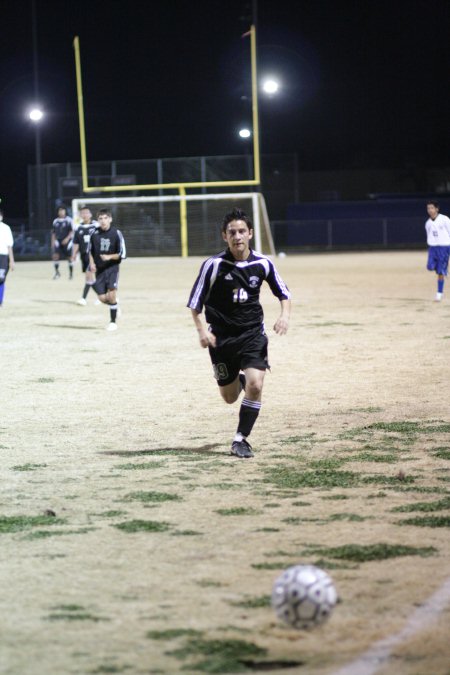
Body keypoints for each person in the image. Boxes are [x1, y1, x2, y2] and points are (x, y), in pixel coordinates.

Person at [187, 207, 291, 458]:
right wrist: (202, 331)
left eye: (242, 231)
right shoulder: (213, 265)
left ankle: (240, 439)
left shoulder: (263, 263)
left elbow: (284, 293)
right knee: (230, 397)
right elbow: (194, 303)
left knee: (257, 384)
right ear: (224, 236)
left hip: (253, 334)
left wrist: (284, 315)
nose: (237, 236)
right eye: (232, 232)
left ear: (251, 233)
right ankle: (239, 381)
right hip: (221, 339)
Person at [89, 208, 126, 331]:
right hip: (99, 269)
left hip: (112, 268)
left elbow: (122, 254)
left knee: (111, 293)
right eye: (100, 218)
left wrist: (109, 257)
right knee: (102, 298)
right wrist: (92, 263)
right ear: (98, 220)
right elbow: (90, 251)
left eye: (106, 218)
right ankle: (115, 305)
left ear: (110, 219)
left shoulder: (116, 233)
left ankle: (112, 322)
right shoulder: (94, 233)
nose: (103, 221)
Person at [71, 206, 98, 305]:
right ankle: (102, 295)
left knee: (89, 276)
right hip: (84, 256)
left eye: (87, 212)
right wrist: (74, 254)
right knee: (90, 278)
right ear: (80, 215)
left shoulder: (96, 226)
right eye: (83, 213)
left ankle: (84, 298)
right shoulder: (79, 228)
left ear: (90, 214)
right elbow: (76, 243)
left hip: (94, 256)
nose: (85, 215)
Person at [425, 200, 450, 301]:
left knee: (440, 271)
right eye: (428, 208)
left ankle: (439, 293)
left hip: (444, 247)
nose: (430, 210)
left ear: (437, 209)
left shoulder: (445, 219)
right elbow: (429, 235)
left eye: (432, 208)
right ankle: (443, 269)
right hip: (433, 248)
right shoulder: (428, 223)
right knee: (430, 267)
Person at [51, 206, 74, 279]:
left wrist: (67, 239)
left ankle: (71, 274)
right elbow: (53, 233)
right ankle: (57, 273)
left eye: (63, 211)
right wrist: (52, 243)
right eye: (60, 211)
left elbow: (71, 231)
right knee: (55, 256)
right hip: (58, 241)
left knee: (69, 257)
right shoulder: (55, 221)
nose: (61, 212)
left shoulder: (69, 220)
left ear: (65, 211)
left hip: (67, 241)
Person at [0, 209, 15, 307]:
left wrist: (12, 260)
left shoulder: (6, 228)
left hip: (3, 256)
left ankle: (0, 301)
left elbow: (9, 245)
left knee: (1, 279)